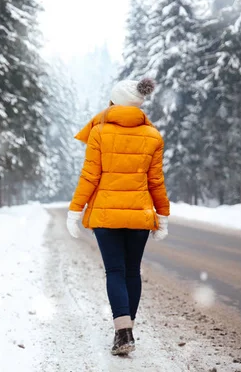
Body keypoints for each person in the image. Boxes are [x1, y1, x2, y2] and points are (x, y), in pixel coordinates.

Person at [66, 78, 170, 356]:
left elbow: (90, 176)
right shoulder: (153, 136)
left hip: (106, 216)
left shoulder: (99, 132)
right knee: (132, 271)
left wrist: (75, 210)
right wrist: (163, 215)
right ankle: (127, 332)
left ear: (114, 102)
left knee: (115, 271)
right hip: (139, 216)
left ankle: (123, 332)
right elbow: (156, 182)